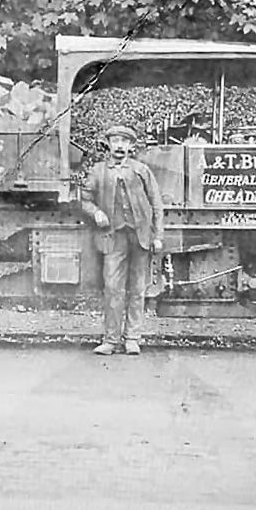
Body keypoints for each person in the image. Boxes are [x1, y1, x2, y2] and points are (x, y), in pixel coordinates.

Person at [81, 124, 164, 356]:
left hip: (141, 237)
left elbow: (156, 204)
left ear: (130, 146)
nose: (119, 145)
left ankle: (132, 339)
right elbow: (85, 199)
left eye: (124, 141)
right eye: (115, 140)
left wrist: (158, 236)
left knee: (138, 289)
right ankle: (110, 340)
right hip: (113, 237)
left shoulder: (141, 170)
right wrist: (95, 212)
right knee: (112, 288)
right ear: (108, 144)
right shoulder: (98, 171)